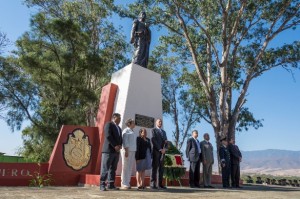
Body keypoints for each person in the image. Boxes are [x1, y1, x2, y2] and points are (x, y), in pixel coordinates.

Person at [100, 113, 122, 191]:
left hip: (116, 151)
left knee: (113, 168)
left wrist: (120, 145)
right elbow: (108, 135)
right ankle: (102, 184)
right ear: (114, 117)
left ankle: (111, 184)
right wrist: (115, 145)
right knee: (105, 168)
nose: (120, 119)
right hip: (108, 150)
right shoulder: (109, 124)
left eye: (120, 118)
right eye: (119, 118)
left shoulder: (119, 128)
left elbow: (120, 138)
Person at [150, 119, 168, 189]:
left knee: (161, 169)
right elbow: (153, 140)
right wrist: (160, 149)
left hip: (163, 153)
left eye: (161, 122)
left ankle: (160, 184)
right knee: (154, 168)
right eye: (159, 122)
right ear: (156, 123)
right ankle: (153, 184)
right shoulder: (153, 130)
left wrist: (165, 149)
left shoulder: (164, 132)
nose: (160, 123)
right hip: (156, 151)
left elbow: (166, 141)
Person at [120, 118, 137, 189]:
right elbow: (125, 141)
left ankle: (127, 182)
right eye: (133, 122)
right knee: (125, 167)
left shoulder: (132, 131)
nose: (134, 124)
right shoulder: (126, 130)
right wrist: (126, 150)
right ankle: (124, 183)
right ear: (129, 124)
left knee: (129, 167)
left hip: (132, 151)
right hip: (127, 151)